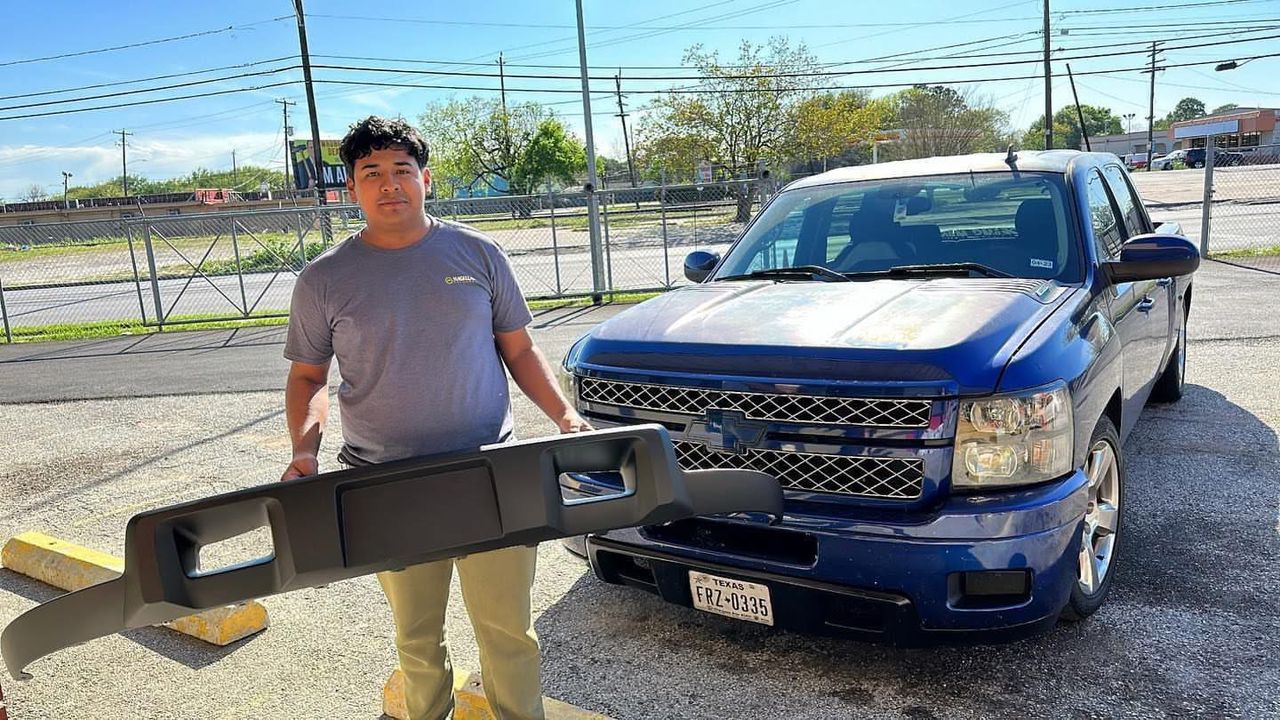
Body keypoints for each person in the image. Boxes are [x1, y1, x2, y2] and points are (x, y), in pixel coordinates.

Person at [280, 115, 591, 720]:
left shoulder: (478, 253)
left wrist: (563, 416)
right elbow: (308, 377)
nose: (389, 183)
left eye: (401, 170)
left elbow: (520, 349)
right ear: (351, 188)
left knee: (508, 636)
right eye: (371, 172)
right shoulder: (323, 279)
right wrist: (304, 451)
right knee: (417, 641)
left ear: (426, 179)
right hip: (386, 483)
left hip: (492, 475)